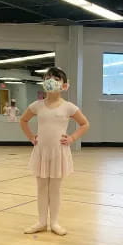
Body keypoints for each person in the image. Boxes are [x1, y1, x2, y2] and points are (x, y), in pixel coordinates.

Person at [19, 67, 90, 235]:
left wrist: (72, 138)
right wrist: (31, 137)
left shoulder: (69, 107)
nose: (51, 81)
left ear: (64, 85)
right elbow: (23, 120)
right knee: (42, 187)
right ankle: (42, 222)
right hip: (42, 151)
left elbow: (85, 124)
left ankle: (55, 223)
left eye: (56, 78)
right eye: (48, 78)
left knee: (55, 188)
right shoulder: (37, 106)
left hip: (59, 152)